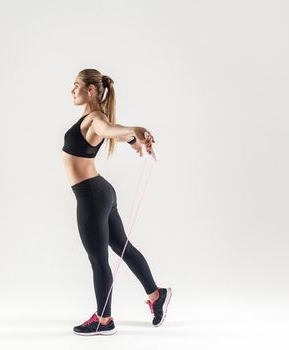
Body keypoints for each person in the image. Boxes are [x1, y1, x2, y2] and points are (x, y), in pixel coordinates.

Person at [62, 68, 172, 336]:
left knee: (98, 258)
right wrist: (134, 138)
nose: (71, 90)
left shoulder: (96, 119)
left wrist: (132, 130)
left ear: (90, 90)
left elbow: (110, 129)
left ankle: (104, 319)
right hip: (99, 192)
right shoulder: (90, 118)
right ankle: (156, 295)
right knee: (122, 248)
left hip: (91, 196)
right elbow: (115, 133)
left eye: (76, 85)